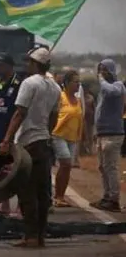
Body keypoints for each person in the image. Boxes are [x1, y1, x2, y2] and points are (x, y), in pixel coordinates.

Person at [0, 47, 61, 248]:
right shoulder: (55, 87)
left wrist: (7, 140)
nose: (27, 65)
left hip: (27, 143)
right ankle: (40, 235)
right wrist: (47, 133)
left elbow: (19, 113)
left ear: (35, 64)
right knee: (42, 191)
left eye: (29, 62)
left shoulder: (29, 83)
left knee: (26, 190)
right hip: (44, 142)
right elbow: (53, 117)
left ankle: (31, 236)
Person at [90, 59, 125, 212]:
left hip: (113, 134)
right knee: (103, 167)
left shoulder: (117, 86)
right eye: (100, 70)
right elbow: (99, 110)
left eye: (104, 69)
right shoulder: (103, 90)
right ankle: (106, 196)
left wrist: (101, 79)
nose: (101, 73)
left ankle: (114, 199)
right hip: (102, 133)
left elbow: (111, 91)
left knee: (111, 167)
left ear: (110, 70)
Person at [0, 54, 21, 214]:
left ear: (10, 66)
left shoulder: (18, 84)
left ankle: (21, 204)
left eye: (0, 65)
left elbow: (20, 111)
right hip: (1, 131)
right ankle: (4, 203)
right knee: (2, 169)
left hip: (15, 132)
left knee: (16, 169)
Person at [51, 70, 83, 208]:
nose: (78, 85)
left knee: (67, 167)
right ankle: (57, 196)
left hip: (72, 137)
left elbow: (81, 119)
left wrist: (82, 135)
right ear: (67, 83)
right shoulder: (60, 97)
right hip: (58, 134)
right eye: (75, 82)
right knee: (65, 162)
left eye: (79, 82)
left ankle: (61, 196)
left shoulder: (78, 100)